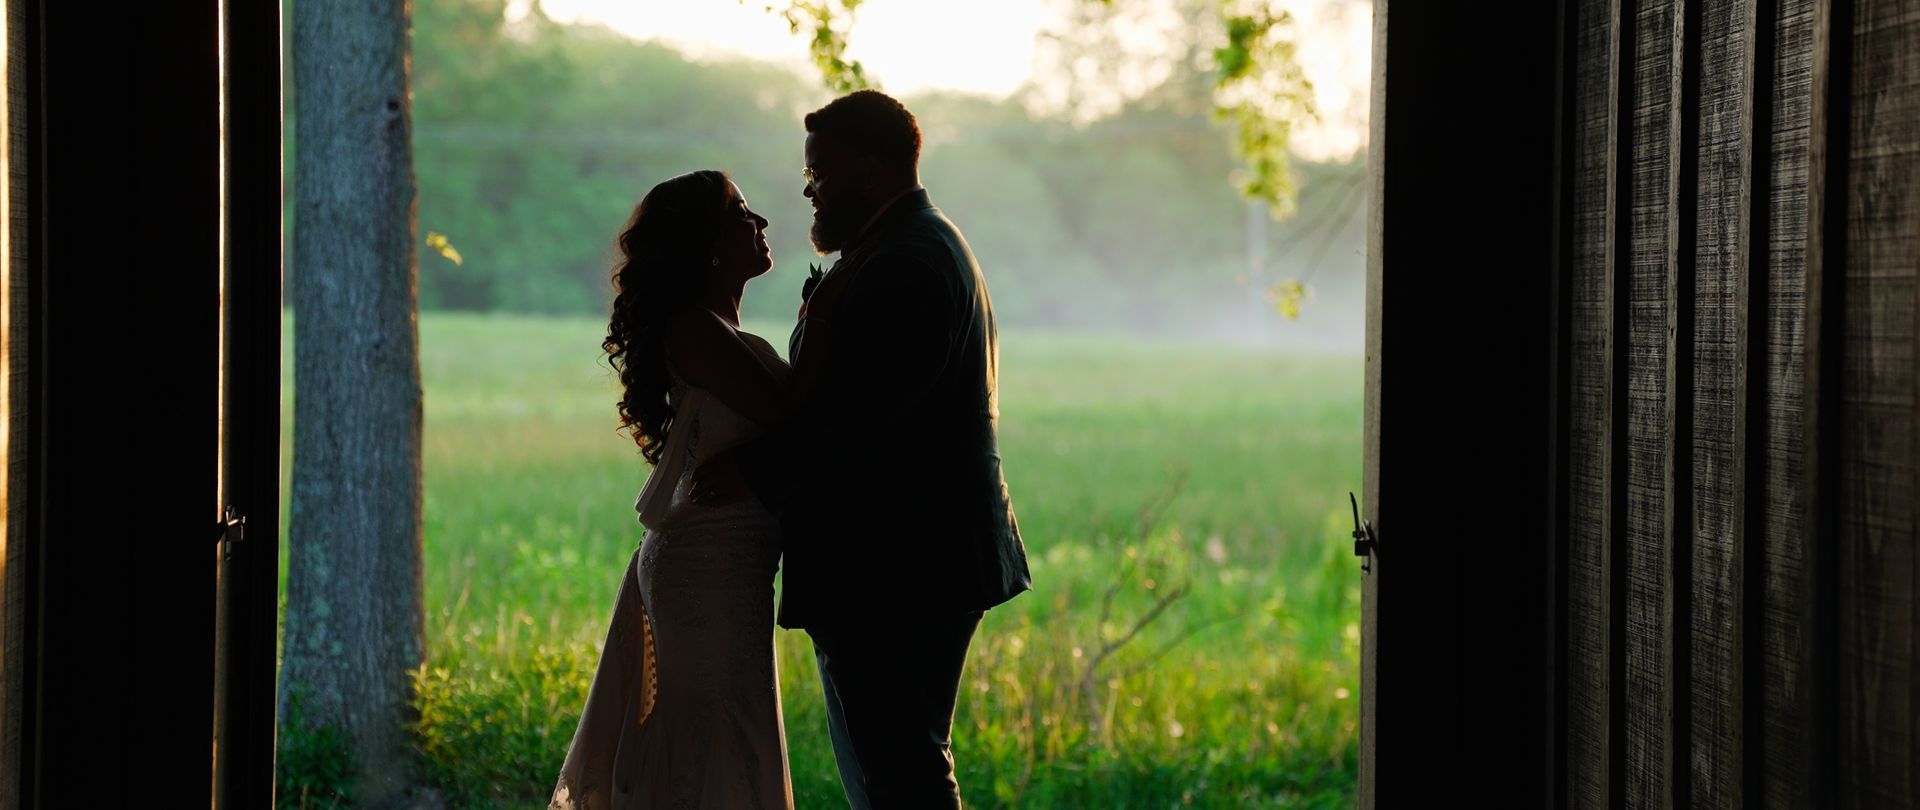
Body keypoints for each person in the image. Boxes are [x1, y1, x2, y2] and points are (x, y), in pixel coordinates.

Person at [692, 89, 1033, 809]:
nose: (808, 190)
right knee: (895, 766)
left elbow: (855, 421)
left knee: (901, 774)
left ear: (871, 173)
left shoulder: (907, 261)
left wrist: (744, 472)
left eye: (820, 173)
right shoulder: (901, 246)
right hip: (904, 559)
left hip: (901, 563)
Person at [551, 170, 797, 810]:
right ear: (707, 242)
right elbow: (799, 419)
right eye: (743, 214)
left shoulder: (715, 328)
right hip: (705, 570)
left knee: (725, 736)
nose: (761, 223)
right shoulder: (694, 329)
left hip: (729, 568)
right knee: (710, 741)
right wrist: (821, 332)